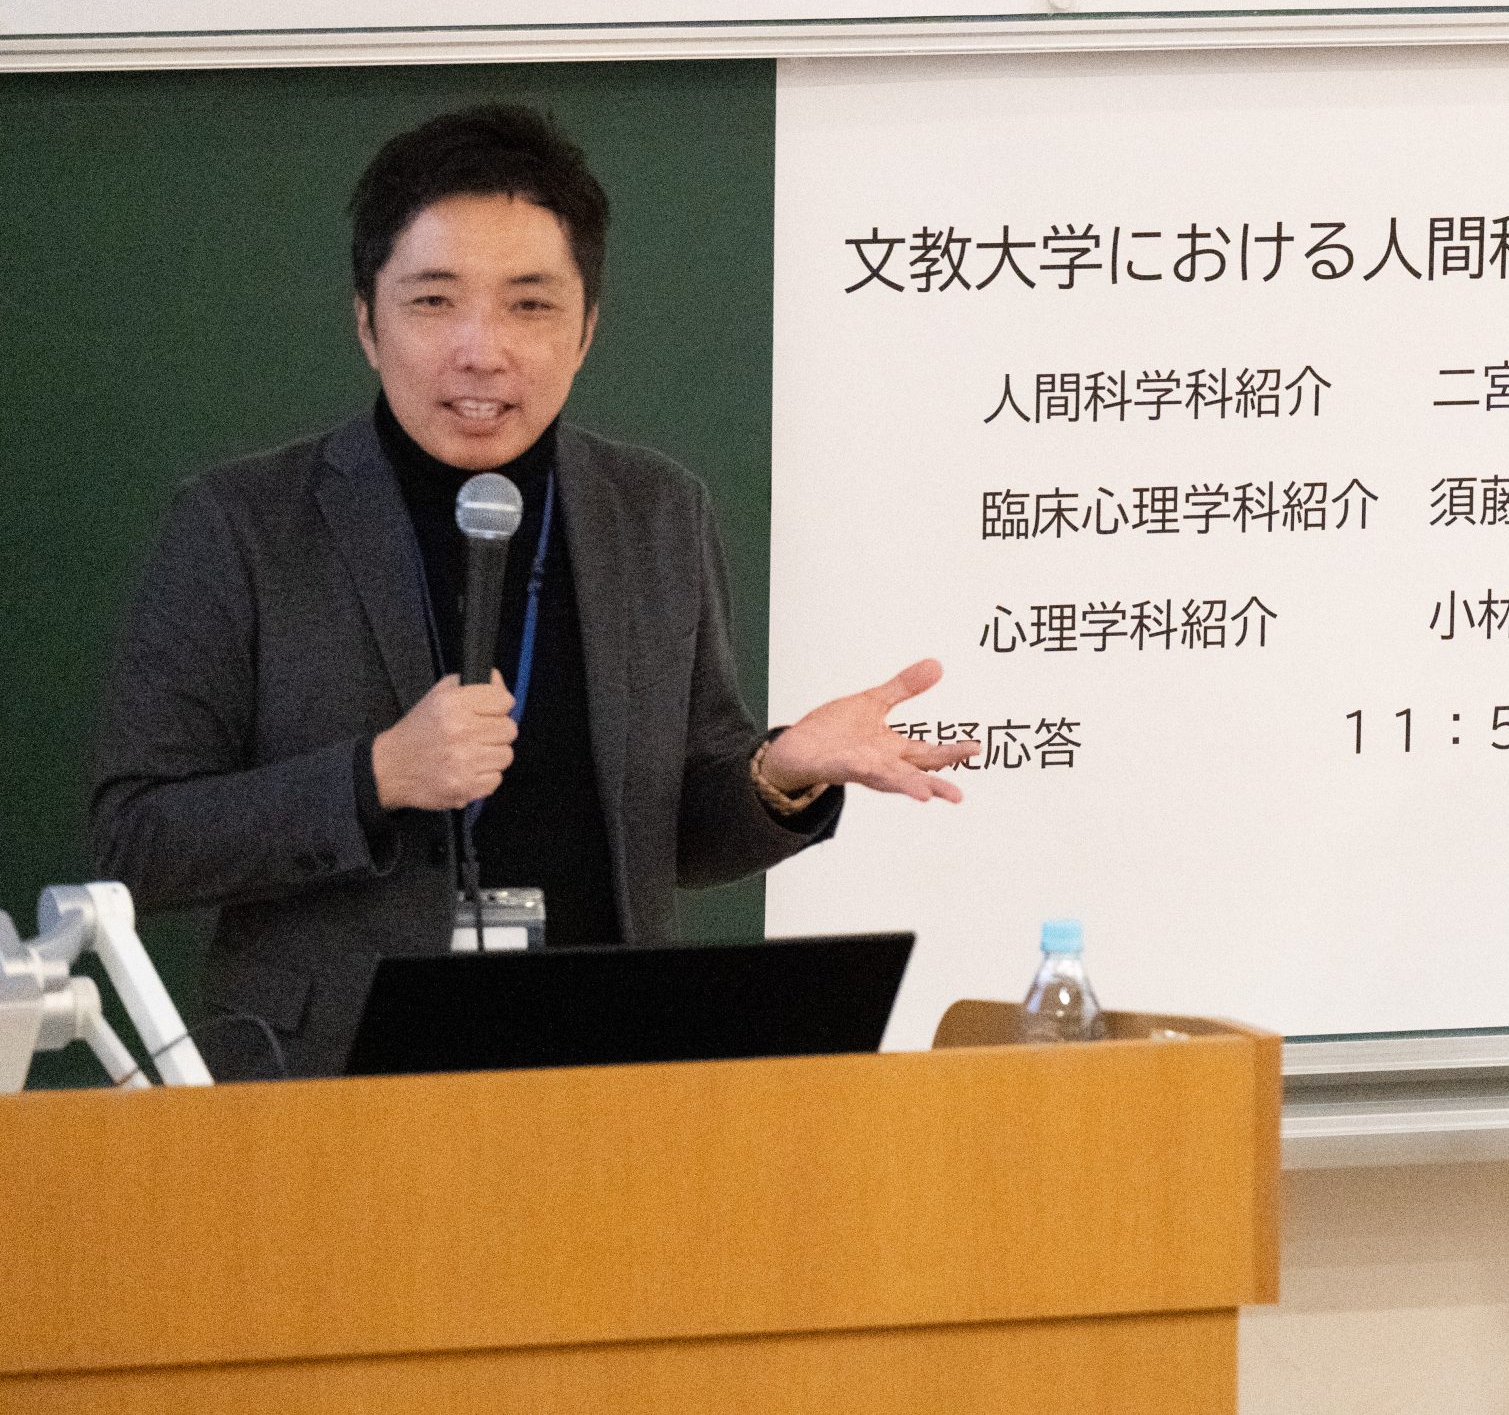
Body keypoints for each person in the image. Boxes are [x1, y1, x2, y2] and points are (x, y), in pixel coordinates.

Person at [91, 104, 975, 1079]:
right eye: (435, 302)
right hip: (328, 1079)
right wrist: (375, 776)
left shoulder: (656, 511)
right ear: (367, 322)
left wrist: (781, 771)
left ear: (587, 328)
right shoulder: (242, 524)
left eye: (530, 305)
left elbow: (676, 832)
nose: (482, 349)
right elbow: (137, 839)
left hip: (601, 1068)